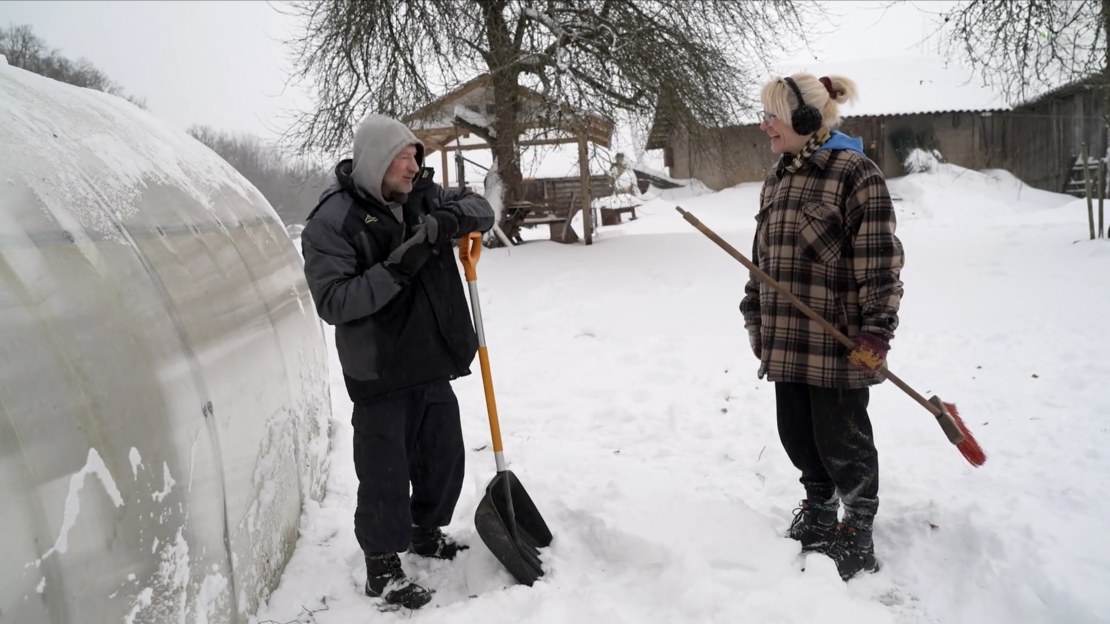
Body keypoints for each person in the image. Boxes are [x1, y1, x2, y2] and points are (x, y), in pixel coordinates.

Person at [300, 114, 494, 609]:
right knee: (385, 470)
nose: (414, 166)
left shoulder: (424, 196)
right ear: (376, 162)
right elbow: (334, 301)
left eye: (415, 156)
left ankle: (424, 532)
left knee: (443, 455)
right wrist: (397, 266)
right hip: (380, 367)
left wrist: (451, 220)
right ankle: (382, 566)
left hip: (429, 354)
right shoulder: (332, 221)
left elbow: (482, 209)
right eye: (403, 158)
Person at [739, 74, 905, 581]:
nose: (765, 125)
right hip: (787, 342)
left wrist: (876, 333)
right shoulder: (778, 178)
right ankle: (819, 510)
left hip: (837, 346)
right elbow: (761, 261)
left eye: (772, 116)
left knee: (843, 440)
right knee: (796, 434)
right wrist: (755, 314)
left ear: (806, 119)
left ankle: (857, 526)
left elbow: (880, 263)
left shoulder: (856, 173)